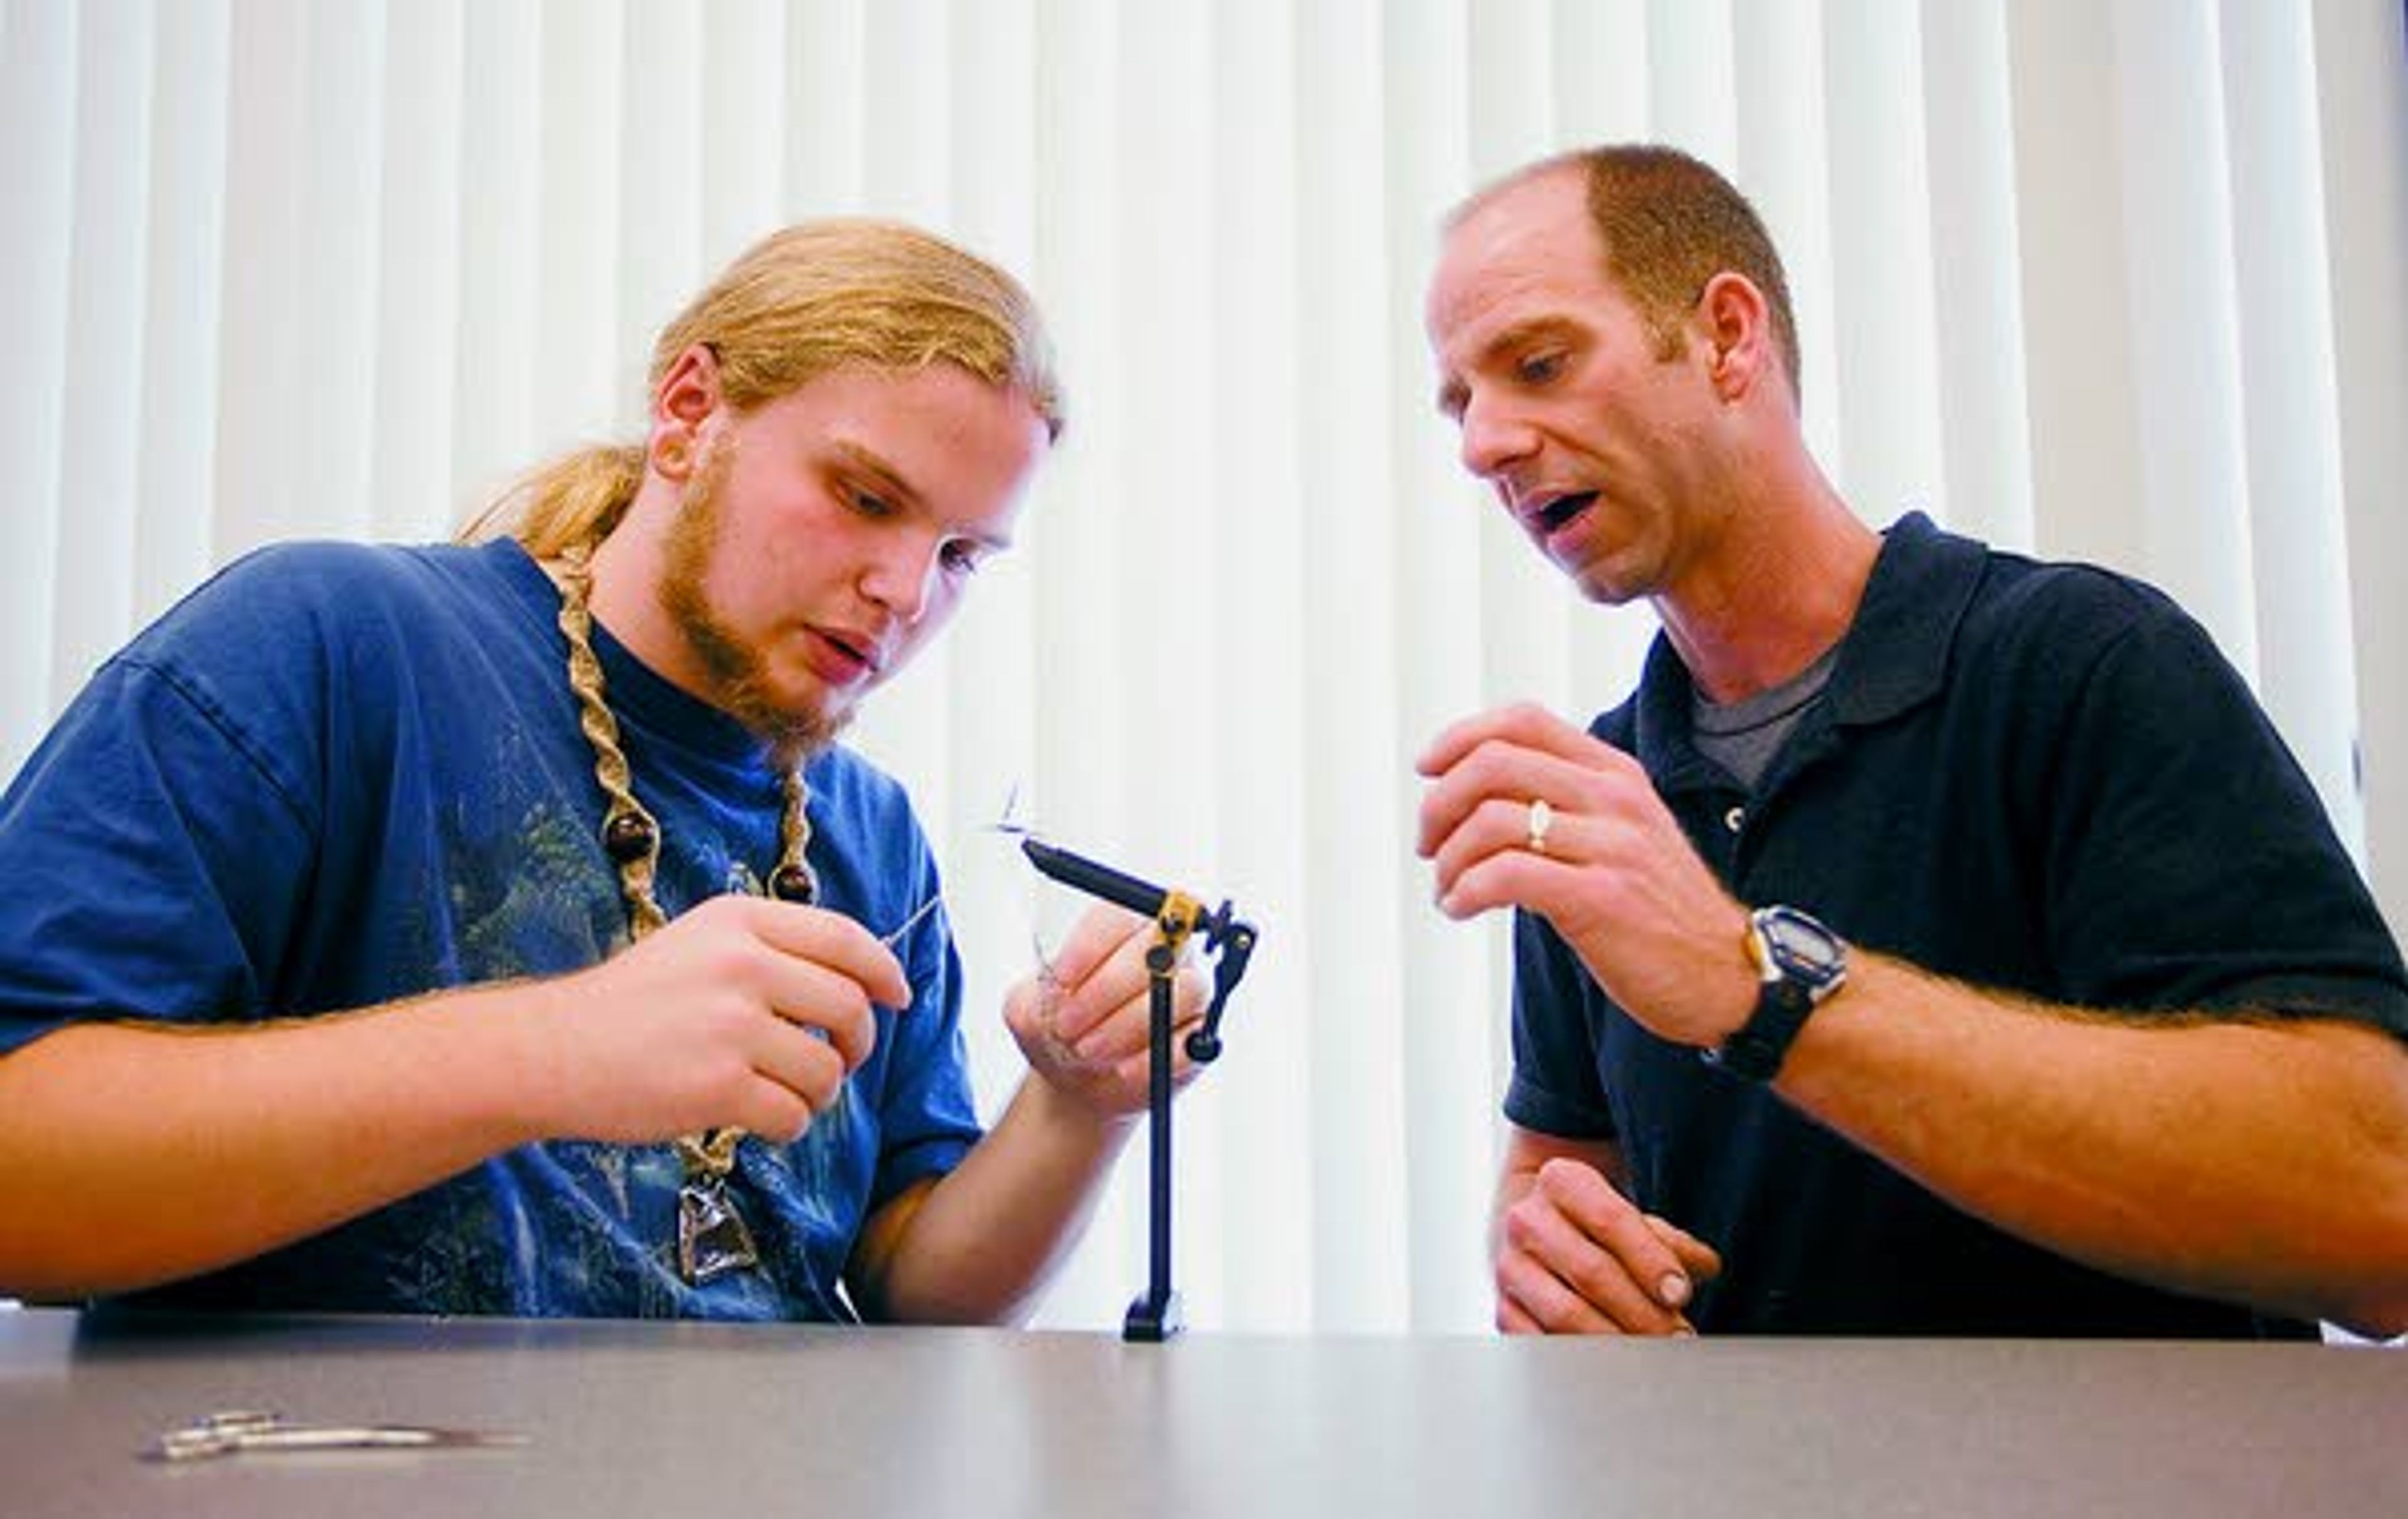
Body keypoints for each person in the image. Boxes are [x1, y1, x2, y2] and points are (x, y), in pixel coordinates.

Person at [0, 218, 1207, 1323]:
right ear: (689, 410)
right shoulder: (331, 646)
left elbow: (908, 1298)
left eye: (960, 556)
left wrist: (1074, 1105)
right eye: (863, 496)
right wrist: (550, 1050)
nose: (904, 591)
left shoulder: (867, 834)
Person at [1413, 145, 2408, 1339]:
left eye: (1538, 365)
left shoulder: (2083, 668)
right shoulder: (1600, 799)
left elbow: (2379, 1217)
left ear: (1730, 337)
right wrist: (1550, 1261)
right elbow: (1561, 1174)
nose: (1484, 446)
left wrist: (1754, 981)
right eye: (1463, 404)